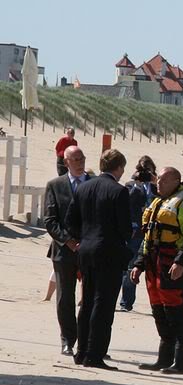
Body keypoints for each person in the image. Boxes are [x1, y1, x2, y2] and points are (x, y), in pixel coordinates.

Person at [131, 167, 183, 374]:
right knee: (159, 310)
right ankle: (164, 359)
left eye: (163, 181)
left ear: (176, 181)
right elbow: (147, 237)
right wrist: (138, 264)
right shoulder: (157, 202)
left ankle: (181, 362)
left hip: (173, 262)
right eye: (158, 181)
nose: (158, 184)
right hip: (153, 263)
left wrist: (180, 261)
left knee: (176, 310)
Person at [65, 149, 131, 370]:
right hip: (108, 252)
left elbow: (70, 221)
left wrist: (81, 239)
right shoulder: (119, 191)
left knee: (87, 302)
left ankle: (82, 351)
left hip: (86, 249)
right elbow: (124, 228)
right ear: (119, 168)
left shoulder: (84, 187)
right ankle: (95, 353)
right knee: (103, 304)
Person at [44, 146, 90, 356]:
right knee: (65, 298)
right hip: (64, 250)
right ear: (66, 162)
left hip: (90, 249)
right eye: (76, 159)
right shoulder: (55, 185)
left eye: (82, 158)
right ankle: (67, 340)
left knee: (91, 297)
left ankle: (89, 340)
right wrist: (68, 241)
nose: (80, 162)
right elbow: (50, 220)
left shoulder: (94, 182)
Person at [119, 156, 157, 311]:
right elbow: (125, 205)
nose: (145, 174)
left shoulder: (159, 187)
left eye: (149, 171)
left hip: (153, 233)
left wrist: (155, 181)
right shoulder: (130, 185)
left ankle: (157, 304)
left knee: (154, 270)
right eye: (143, 171)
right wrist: (136, 183)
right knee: (130, 268)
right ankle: (126, 303)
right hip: (136, 232)